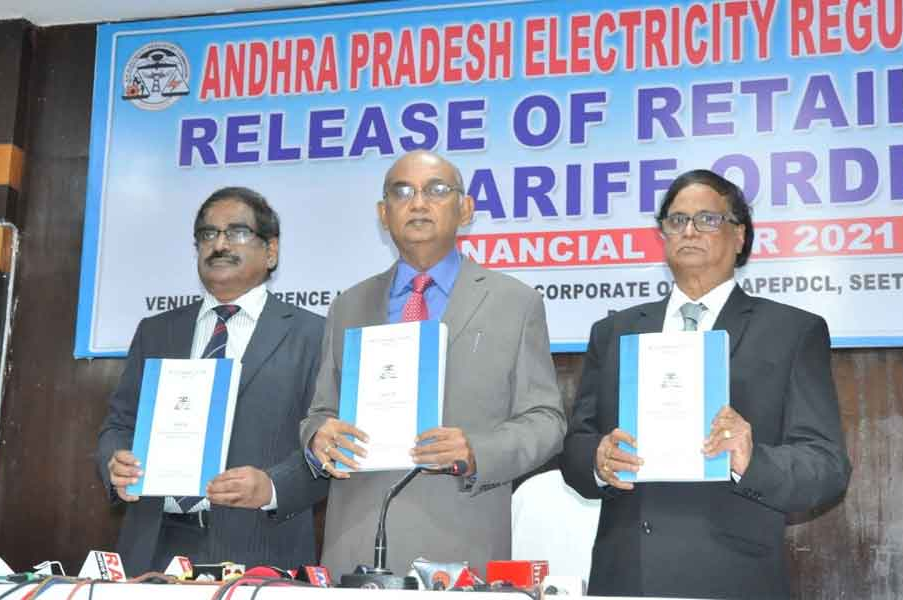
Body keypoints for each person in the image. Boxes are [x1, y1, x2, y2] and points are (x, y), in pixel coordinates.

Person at [560, 169, 851, 599]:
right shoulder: (615, 331)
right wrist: (598, 460)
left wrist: (752, 460)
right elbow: (576, 445)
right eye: (676, 221)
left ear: (740, 236)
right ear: (662, 236)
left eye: (707, 219)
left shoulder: (791, 331)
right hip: (626, 570)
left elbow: (825, 468)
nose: (689, 231)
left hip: (731, 572)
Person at [299, 150, 566, 578]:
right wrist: (318, 437)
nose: (418, 202)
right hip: (355, 541)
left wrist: (477, 451)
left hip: (461, 542)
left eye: (437, 190)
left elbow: (547, 420)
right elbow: (320, 411)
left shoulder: (514, 302)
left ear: (465, 209)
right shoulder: (349, 304)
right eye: (402, 191)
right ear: (383, 214)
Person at [97, 187, 328, 575]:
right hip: (153, 547)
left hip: (260, 549)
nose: (219, 244)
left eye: (236, 232)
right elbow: (119, 425)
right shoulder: (157, 331)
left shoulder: (313, 334)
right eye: (207, 234)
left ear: (271, 251)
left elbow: (326, 445)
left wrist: (272, 487)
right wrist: (113, 462)